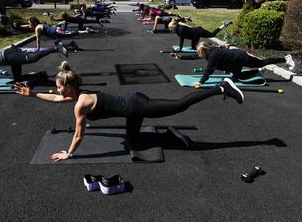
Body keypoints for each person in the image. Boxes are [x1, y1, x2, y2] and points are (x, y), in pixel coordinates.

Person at [15, 61, 245, 162]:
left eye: (59, 87)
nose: (57, 91)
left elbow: (78, 134)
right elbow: (55, 98)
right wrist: (32, 94)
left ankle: (221, 87)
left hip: (137, 105)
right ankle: (167, 136)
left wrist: (70, 153)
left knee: (180, 104)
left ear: (70, 87)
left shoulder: (80, 104)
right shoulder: (77, 94)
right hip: (131, 110)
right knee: (133, 140)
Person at [0, 36, 68, 88]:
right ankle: (39, 76)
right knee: (17, 79)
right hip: (9, 56)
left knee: (33, 58)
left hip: (9, 57)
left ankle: (56, 48)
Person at [194, 41, 296, 86]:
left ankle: (286, 59)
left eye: (200, 53)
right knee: (238, 77)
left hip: (240, 57)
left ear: (204, 51)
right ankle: (258, 72)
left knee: (261, 63)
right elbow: (197, 58)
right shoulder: (212, 50)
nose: (200, 55)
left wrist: (201, 82)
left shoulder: (213, 56)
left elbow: (209, 70)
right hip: (235, 61)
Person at [20, 17, 90, 50]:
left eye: (30, 23)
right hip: (57, 30)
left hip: (56, 32)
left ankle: (84, 32)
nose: (29, 25)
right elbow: (28, 26)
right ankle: (72, 44)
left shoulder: (37, 28)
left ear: (34, 23)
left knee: (71, 34)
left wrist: (38, 48)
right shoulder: (39, 24)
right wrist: (20, 26)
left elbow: (38, 39)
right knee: (69, 35)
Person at [168, 20, 233, 50]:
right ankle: (213, 46)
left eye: (170, 28)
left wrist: (180, 48)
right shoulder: (177, 30)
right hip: (194, 36)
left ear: (174, 27)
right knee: (194, 47)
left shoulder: (180, 29)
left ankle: (224, 24)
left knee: (212, 34)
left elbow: (182, 39)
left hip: (198, 32)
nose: (170, 30)